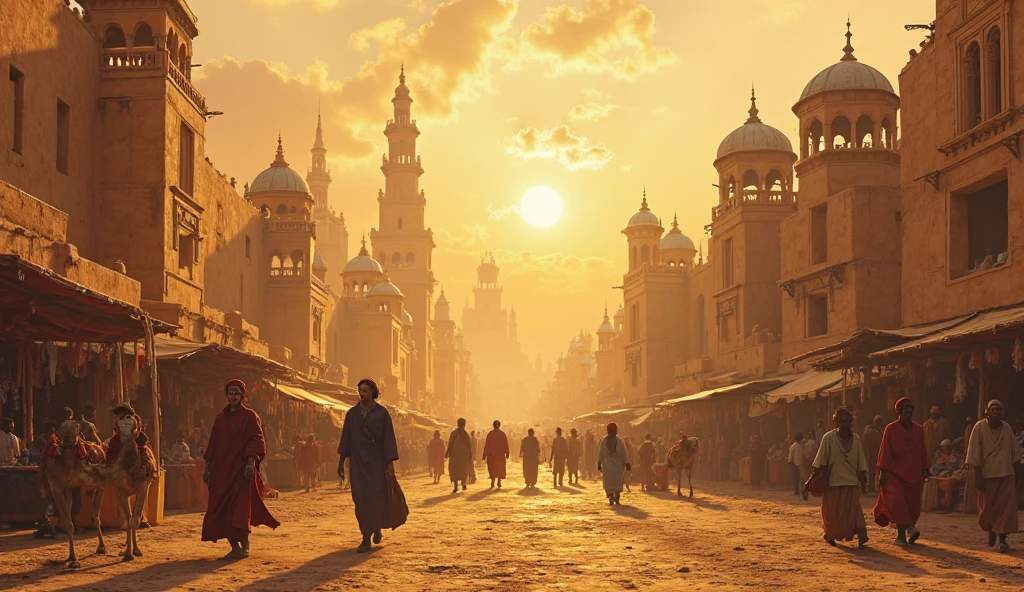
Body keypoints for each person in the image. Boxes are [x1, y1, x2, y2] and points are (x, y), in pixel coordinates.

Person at [202, 379, 280, 560]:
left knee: (240, 509)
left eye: (236, 393)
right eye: (230, 393)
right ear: (226, 395)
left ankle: (244, 543)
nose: (233, 396)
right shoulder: (220, 417)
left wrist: (251, 463)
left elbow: (256, 440)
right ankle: (234, 545)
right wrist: (207, 467)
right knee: (222, 509)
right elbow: (212, 444)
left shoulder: (250, 416)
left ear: (242, 395)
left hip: (241, 471)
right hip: (222, 471)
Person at [337, 377, 400, 553]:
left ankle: (377, 527)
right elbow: (346, 439)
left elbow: (388, 439)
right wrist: (341, 461)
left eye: (365, 390)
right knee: (360, 499)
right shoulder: (352, 414)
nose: (362, 393)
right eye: (360, 390)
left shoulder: (382, 414)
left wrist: (389, 464)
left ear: (373, 392)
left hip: (376, 462)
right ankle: (366, 537)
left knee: (376, 497)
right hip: (357, 463)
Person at [805, 408, 869, 547]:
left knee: (833, 514)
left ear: (851, 423)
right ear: (836, 423)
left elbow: (819, 463)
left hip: (837, 484)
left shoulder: (836, 438)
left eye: (846, 421)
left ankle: (831, 534)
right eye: (841, 421)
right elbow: (861, 466)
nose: (844, 424)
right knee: (853, 510)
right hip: (844, 483)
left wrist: (808, 482)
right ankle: (860, 530)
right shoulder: (830, 438)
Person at [966, 400, 1023, 553]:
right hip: (987, 475)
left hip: (1006, 473)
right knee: (988, 508)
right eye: (993, 410)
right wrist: (976, 476)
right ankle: (991, 528)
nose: (996, 413)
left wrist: (1018, 474)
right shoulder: (979, 428)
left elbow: (1015, 453)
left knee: (1007, 508)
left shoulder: (1006, 428)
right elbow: (974, 454)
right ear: (987, 412)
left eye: (999, 410)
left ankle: (1003, 539)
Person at [873, 397, 929, 546]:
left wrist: (925, 468)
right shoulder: (890, 429)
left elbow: (923, 450)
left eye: (910, 409)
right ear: (899, 412)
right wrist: (882, 472)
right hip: (893, 472)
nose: (908, 412)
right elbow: (885, 451)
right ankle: (909, 529)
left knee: (911, 504)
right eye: (905, 409)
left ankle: (902, 537)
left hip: (914, 473)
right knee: (897, 501)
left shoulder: (919, 430)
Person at [597, 423, 630, 505]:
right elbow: (624, 453)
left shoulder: (605, 441)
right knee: (616, 482)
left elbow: (600, 453)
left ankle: (612, 496)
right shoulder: (619, 441)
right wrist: (627, 463)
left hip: (608, 466)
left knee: (609, 482)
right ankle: (614, 496)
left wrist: (599, 462)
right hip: (616, 466)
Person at [445, 418, 472, 494]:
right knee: (463, 470)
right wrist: (470, 455)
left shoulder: (453, 433)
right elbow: (469, 446)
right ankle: (463, 483)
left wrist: (447, 452)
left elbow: (450, 444)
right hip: (463, 456)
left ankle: (456, 486)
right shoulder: (466, 434)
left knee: (454, 470)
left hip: (454, 456)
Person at [482, 420, 510, 489]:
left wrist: (484, 454)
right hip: (500, 455)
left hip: (492, 455)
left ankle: (492, 480)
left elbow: (487, 445)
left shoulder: (490, 434)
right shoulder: (502, 434)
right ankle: (499, 481)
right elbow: (505, 444)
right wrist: (507, 453)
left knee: (492, 468)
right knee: (499, 468)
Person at [861, 415, 883, 492]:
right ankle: (870, 487)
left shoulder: (875, 432)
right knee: (871, 472)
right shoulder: (874, 432)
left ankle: (871, 487)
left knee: (871, 472)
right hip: (873, 454)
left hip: (872, 455)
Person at [788, 432, 806, 496]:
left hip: (802, 463)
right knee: (796, 478)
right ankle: (797, 491)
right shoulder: (793, 446)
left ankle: (802, 490)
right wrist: (791, 462)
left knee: (802, 478)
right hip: (795, 464)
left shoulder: (803, 445)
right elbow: (790, 457)